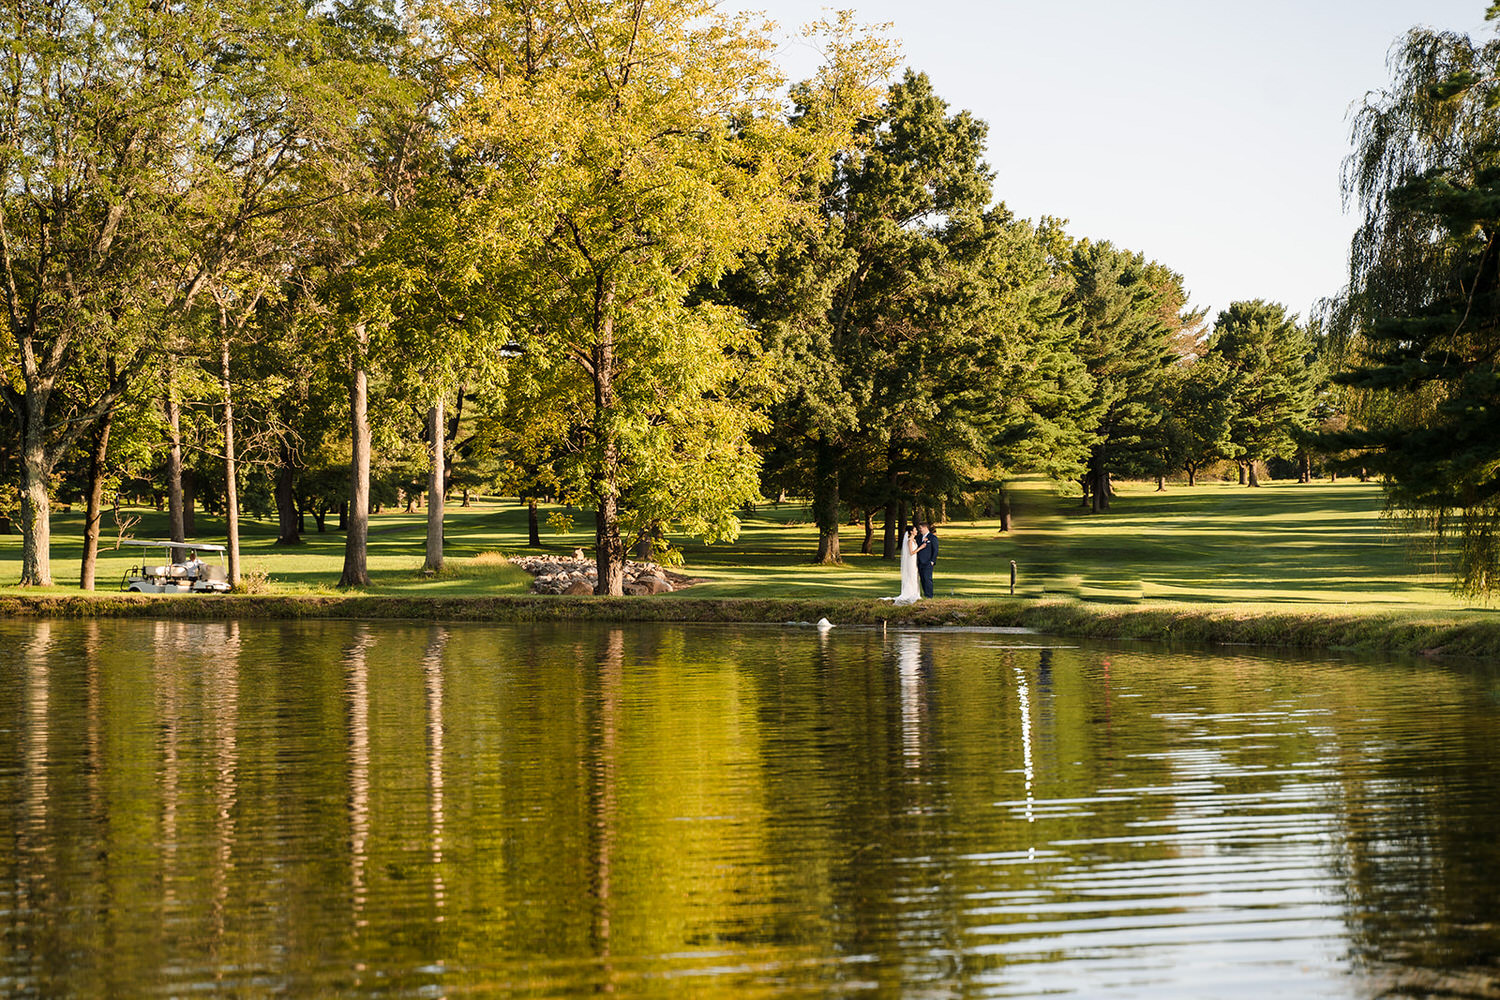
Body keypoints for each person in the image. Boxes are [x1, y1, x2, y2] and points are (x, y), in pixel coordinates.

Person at [884, 528, 923, 605]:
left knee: (914, 576)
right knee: (911, 575)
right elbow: (911, 552)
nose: (917, 531)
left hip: (914, 560)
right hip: (911, 561)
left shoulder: (914, 540)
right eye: (915, 530)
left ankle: (915, 592)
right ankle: (910, 592)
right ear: (911, 532)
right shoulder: (909, 541)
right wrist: (921, 548)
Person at [916, 522, 938, 598]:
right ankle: (925, 594)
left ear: (925, 528)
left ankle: (929, 595)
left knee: (927, 579)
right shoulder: (918, 537)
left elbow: (935, 550)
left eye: (920, 528)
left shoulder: (932, 538)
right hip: (919, 562)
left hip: (928, 562)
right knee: (922, 579)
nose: (920, 530)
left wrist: (932, 561)